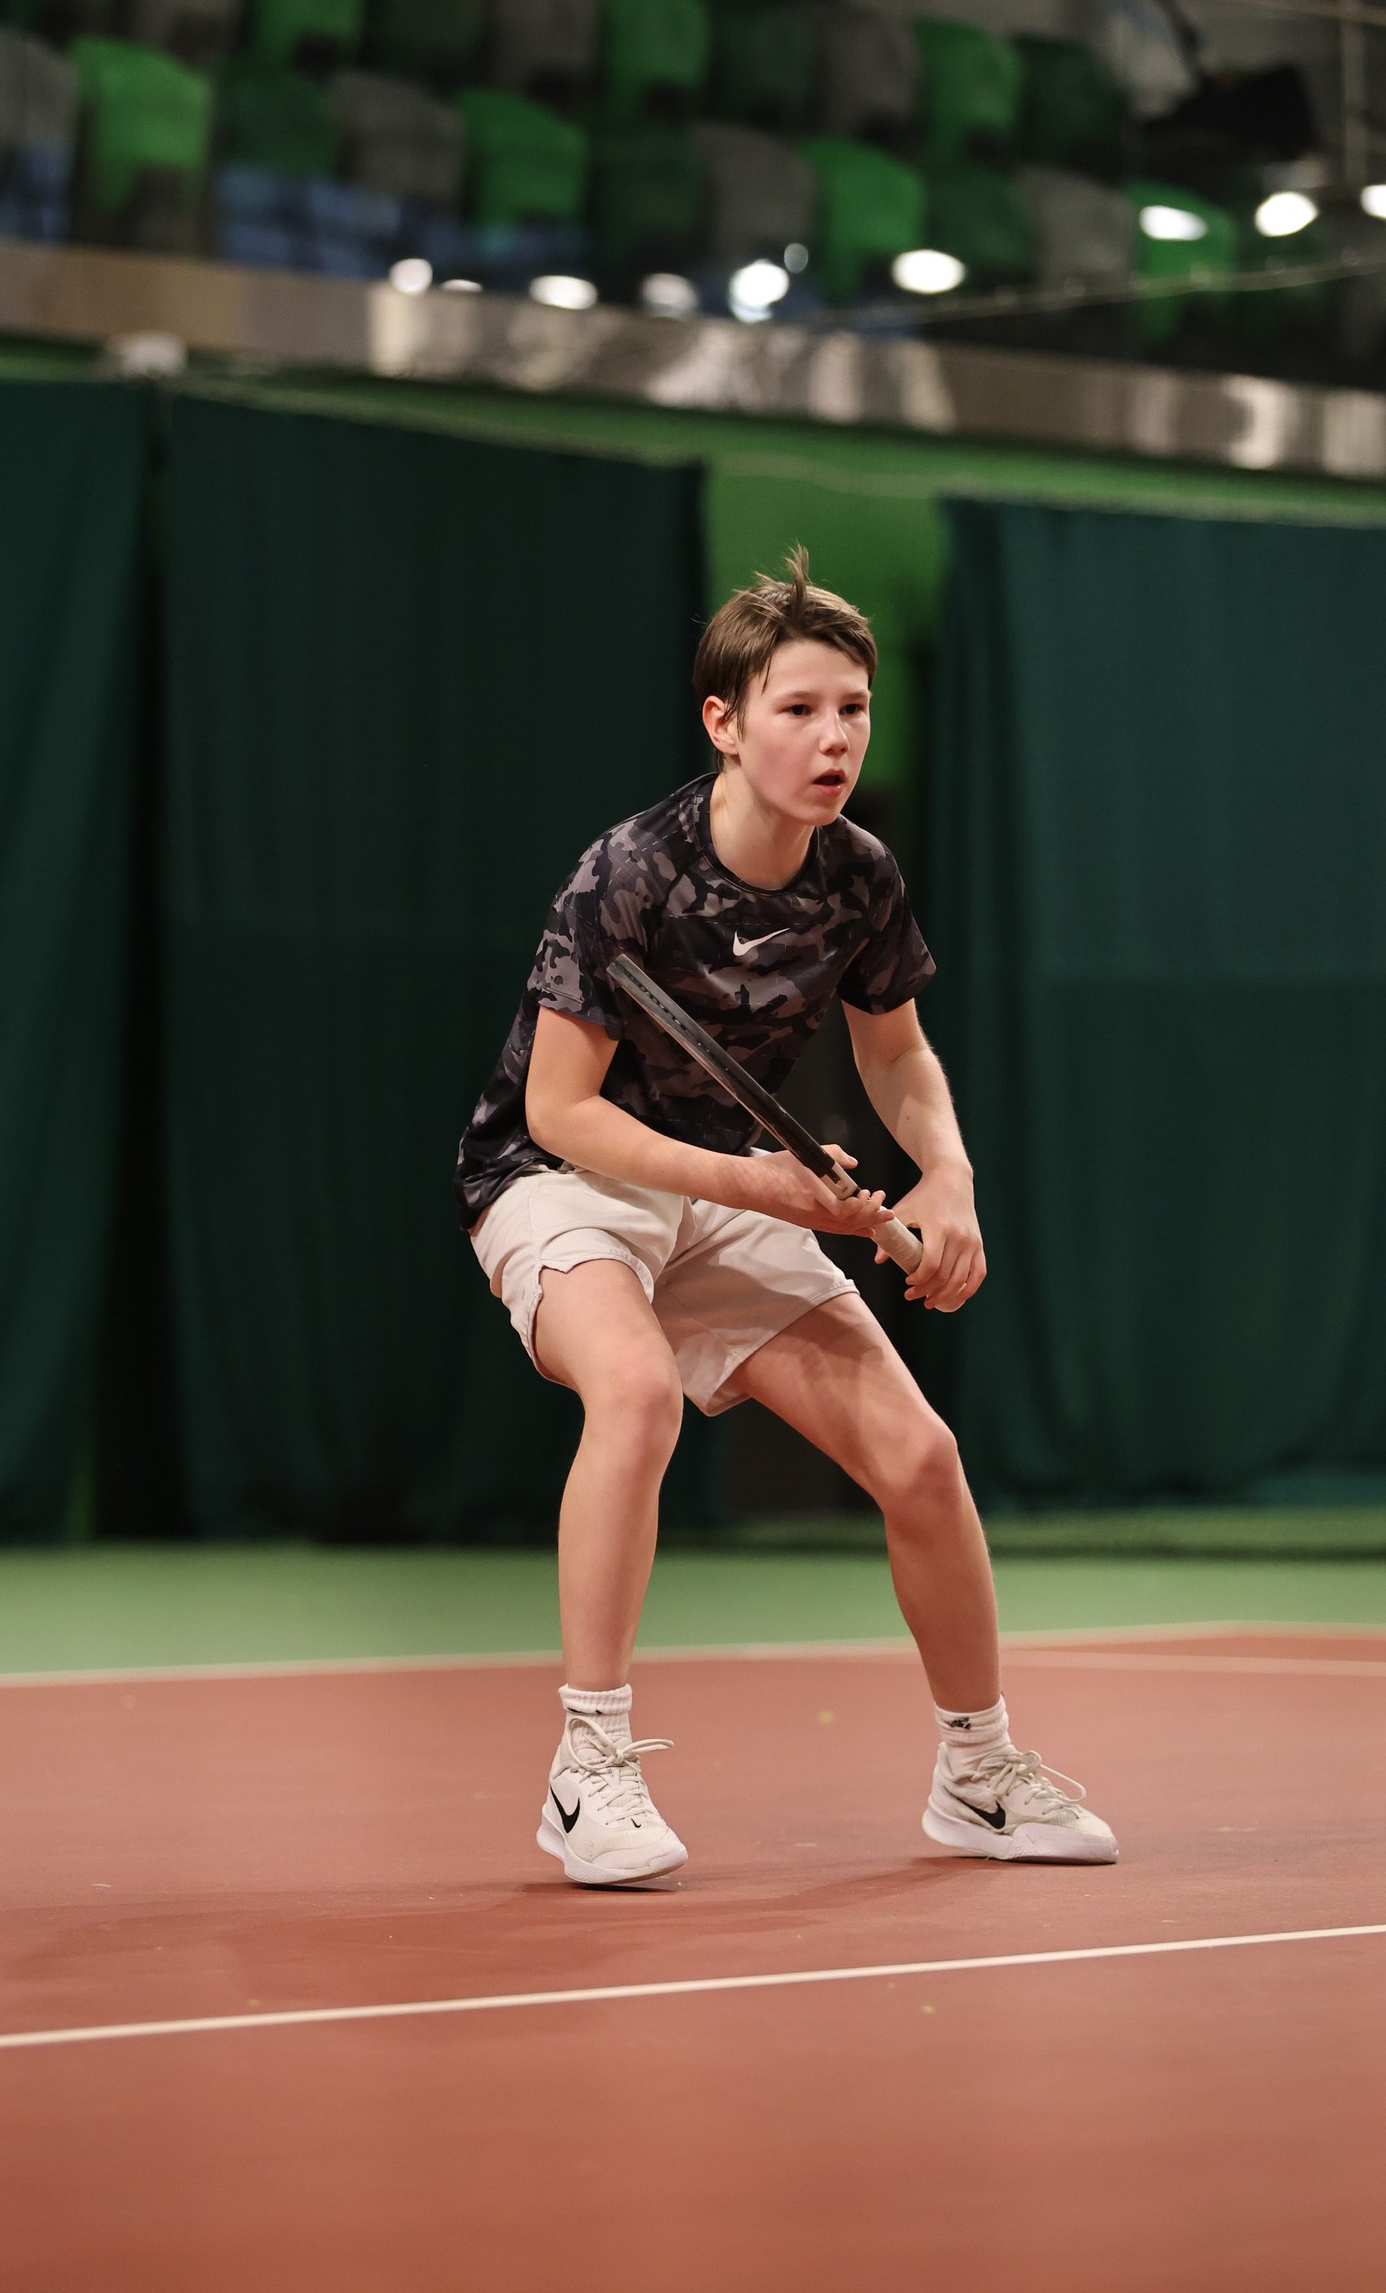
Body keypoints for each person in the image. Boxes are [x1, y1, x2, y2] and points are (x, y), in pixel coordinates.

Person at [455, 549, 1118, 1887]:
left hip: (717, 1186)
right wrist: (758, 1184)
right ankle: (588, 1770)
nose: (833, 739)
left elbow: (896, 1053)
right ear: (723, 720)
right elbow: (560, 1110)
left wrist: (946, 1179)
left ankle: (978, 1770)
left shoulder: (857, 875)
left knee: (919, 1459)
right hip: (557, 1182)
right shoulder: (626, 874)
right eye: (799, 709)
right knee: (635, 1389)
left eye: (852, 710)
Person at [1096, 0, 1318, 169]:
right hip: (1163, 111)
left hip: (1199, 98)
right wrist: (1196, 85)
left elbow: (1203, 56)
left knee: (1282, 80)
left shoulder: (1178, 8)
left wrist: (1217, 77)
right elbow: (1130, 74)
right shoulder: (1118, 9)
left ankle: (1304, 165)